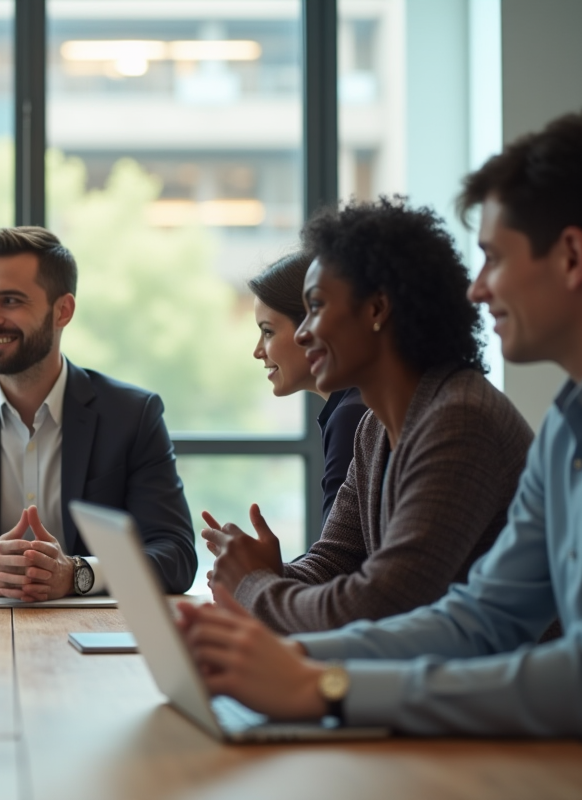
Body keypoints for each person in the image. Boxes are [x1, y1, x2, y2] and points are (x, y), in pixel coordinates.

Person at [175, 110, 582, 736]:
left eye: (494, 258)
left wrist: (312, 672)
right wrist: (279, 659)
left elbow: (388, 602)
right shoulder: (560, 427)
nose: (477, 290)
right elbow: (479, 619)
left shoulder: (461, 419)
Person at [201, 197, 533, 634]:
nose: (304, 332)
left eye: (316, 307)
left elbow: (382, 602)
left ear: (376, 309)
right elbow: (334, 561)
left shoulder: (458, 421)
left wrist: (255, 586)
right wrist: (261, 572)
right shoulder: (374, 426)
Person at [0, 226, 196, 599]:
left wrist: (77, 573)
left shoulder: (132, 416)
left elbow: (176, 555)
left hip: (96, 630)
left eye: (10, 301)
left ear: (63, 311)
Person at [248, 252, 367, 527]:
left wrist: (267, 556)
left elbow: (339, 549)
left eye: (267, 331)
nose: (257, 351)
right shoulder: (350, 407)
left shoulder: (351, 415)